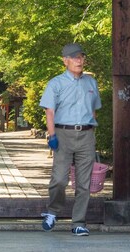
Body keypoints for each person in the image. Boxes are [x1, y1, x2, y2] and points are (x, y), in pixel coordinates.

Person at [39, 43, 101, 237]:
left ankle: (79, 222)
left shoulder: (91, 82)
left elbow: (93, 110)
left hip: (86, 134)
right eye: (74, 57)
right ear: (65, 60)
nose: (79, 60)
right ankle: (52, 211)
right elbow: (50, 111)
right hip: (63, 134)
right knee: (59, 179)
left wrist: (91, 133)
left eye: (81, 57)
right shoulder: (55, 83)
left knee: (84, 183)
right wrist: (52, 135)